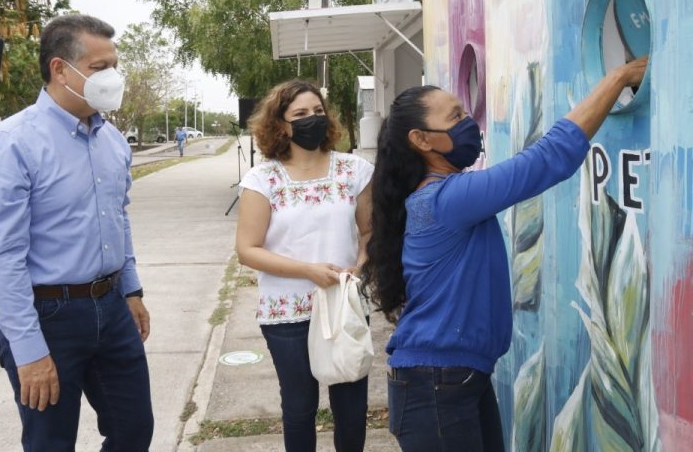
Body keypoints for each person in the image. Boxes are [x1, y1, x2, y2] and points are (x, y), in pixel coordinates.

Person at [361, 57, 648, 452]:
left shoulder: (442, 195)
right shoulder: (447, 199)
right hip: (436, 386)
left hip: (453, 379)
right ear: (421, 139)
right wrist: (618, 78)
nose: (467, 123)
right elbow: (546, 160)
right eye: (455, 116)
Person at [0, 14, 153, 451]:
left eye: (114, 65)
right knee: (51, 443)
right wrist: (29, 351)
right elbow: (0, 257)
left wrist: (131, 291)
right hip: (48, 316)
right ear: (59, 69)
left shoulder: (112, 141)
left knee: (133, 431)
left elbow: (118, 218)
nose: (112, 77)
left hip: (111, 308)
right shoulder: (12, 143)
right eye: (99, 67)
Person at [235, 79, 374, 452]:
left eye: (317, 112)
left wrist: (359, 267)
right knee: (299, 408)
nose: (312, 119)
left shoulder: (354, 170)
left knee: (351, 407)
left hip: (344, 306)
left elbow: (369, 232)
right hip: (286, 313)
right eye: (300, 114)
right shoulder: (262, 180)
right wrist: (308, 270)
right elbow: (247, 250)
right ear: (281, 124)